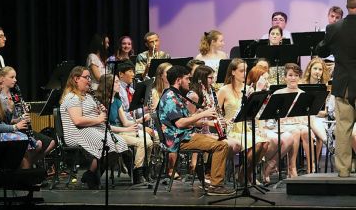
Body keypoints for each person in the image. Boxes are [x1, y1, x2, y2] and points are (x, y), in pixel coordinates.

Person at [158, 65, 234, 196]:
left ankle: (213, 180)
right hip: (178, 139)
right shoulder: (170, 97)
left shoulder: (176, 95)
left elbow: (187, 121)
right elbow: (180, 123)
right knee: (221, 146)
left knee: (222, 142)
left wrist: (206, 120)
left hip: (184, 135)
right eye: (187, 79)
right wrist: (202, 114)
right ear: (178, 80)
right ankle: (215, 185)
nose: (189, 82)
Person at [59, 66, 129, 189]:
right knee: (108, 145)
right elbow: (77, 120)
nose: (90, 80)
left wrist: (100, 111)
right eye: (86, 78)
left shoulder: (88, 96)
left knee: (119, 143)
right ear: (76, 79)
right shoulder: (72, 98)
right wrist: (99, 119)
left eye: (90, 78)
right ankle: (92, 177)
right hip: (77, 132)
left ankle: (91, 174)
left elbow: (92, 114)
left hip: (93, 129)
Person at [316, 0, 356, 178]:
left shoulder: (334, 28)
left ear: (347, 7)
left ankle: (343, 170)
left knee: (343, 127)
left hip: (344, 84)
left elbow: (321, 50)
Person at [217, 59, 268, 184]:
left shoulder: (249, 89)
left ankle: (245, 173)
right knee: (257, 143)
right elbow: (216, 113)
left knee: (265, 143)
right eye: (241, 71)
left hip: (246, 128)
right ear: (233, 72)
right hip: (231, 130)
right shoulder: (224, 90)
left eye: (246, 70)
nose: (245, 73)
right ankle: (244, 175)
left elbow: (253, 112)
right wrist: (222, 121)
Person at [95, 74, 152, 184]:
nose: (118, 84)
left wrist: (139, 120)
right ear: (108, 84)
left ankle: (144, 170)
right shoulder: (100, 101)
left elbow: (125, 122)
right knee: (141, 143)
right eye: (116, 82)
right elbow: (105, 126)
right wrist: (127, 130)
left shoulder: (116, 100)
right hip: (109, 133)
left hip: (120, 131)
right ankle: (136, 173)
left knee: (148, 141)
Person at [0, 66, 56, 167]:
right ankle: (25, 168)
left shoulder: (14, 93)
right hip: (10, 130)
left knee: (51, 143)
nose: (15, 80)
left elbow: (19, 113)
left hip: (21, 128)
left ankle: (24, 167)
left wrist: (24, 112)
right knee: (36, 145)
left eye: (15, 77)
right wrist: (18, 120)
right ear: (2, 78)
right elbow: (2, 121)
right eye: (12, 77)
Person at [323, 6, 344, 75]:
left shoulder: (345, 34)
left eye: (337, 17)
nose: (334, 19)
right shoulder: (321, 33)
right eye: (332, 16)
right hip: (322, 63)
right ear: (328, 16)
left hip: (337, 64)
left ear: (341, 19)